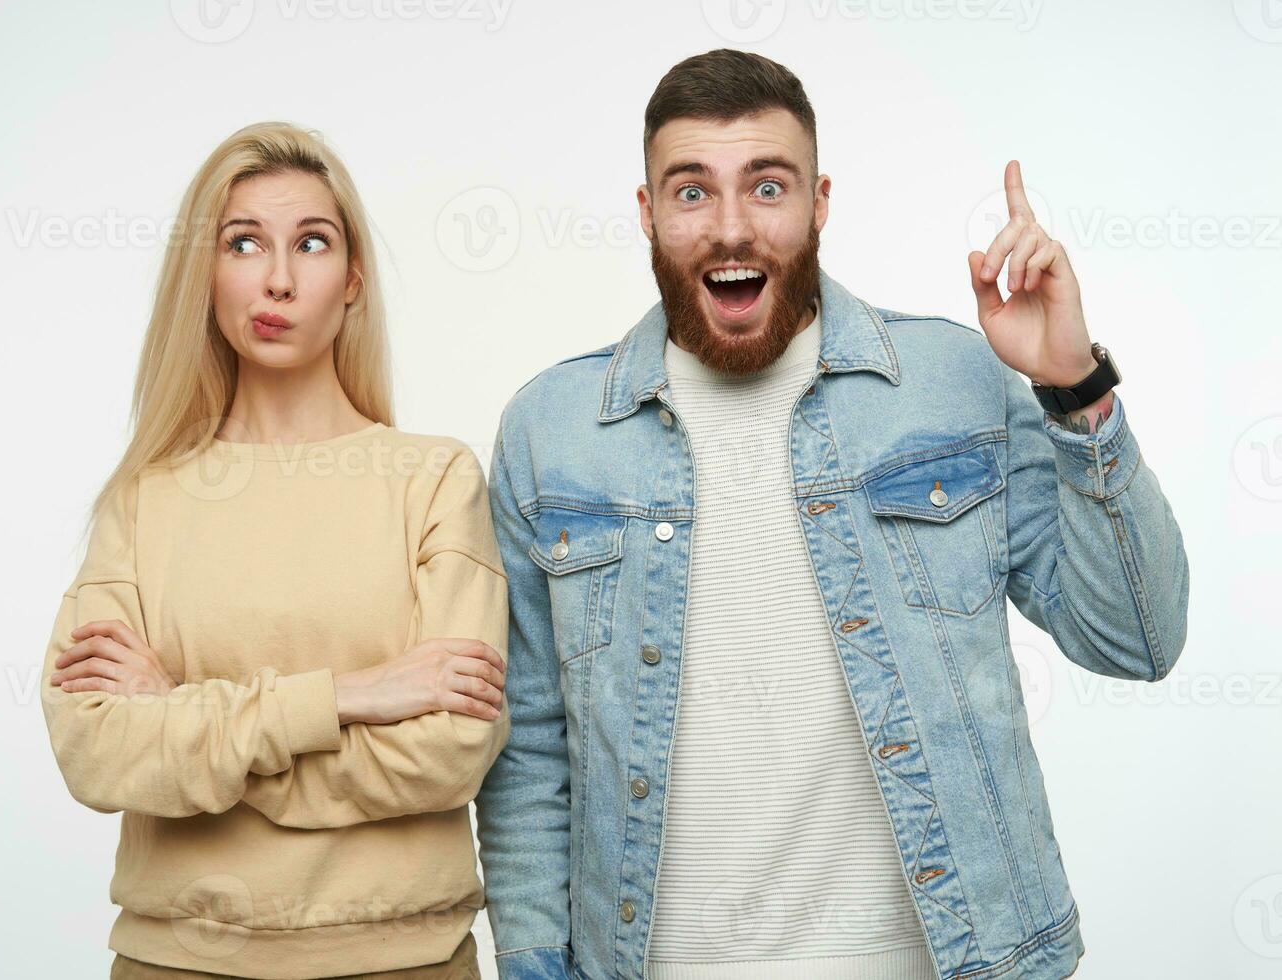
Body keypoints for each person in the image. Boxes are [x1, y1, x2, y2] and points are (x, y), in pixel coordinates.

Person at [476, 49, 1188, 980]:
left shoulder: (954, 384)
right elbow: (528, 749)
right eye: (692, 193)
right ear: (647, 214)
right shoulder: (552, 431)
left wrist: (1073, 387)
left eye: (767, 186)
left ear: (820, 203)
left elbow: (1137, 638)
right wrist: (534, 960)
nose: (732, 229)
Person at [38, 121, 507, 980]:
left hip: (402, 960)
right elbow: (97, 749)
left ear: (353, 279)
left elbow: (447, 753)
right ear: (205, 275)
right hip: (178, 961)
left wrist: (188, 723)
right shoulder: (144, 497)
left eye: (313, 243)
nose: (279, 278)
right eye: (244, 242)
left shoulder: (434, 478)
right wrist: (352, 695)